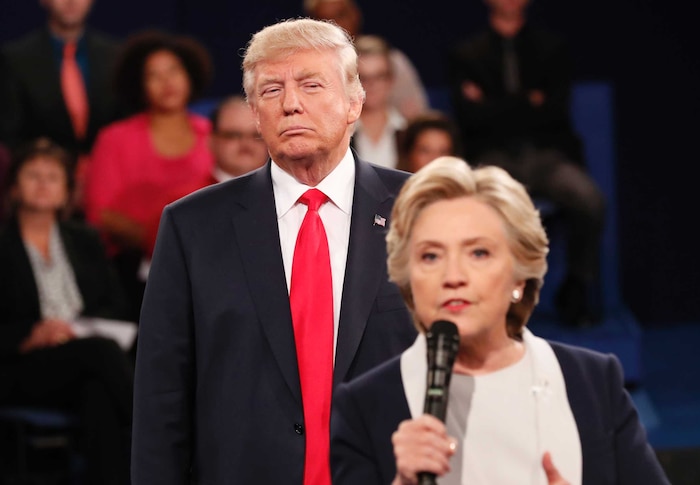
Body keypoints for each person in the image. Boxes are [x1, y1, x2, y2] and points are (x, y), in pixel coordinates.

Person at [131, 18, 417, 485]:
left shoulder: (424, 211)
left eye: (311, 84)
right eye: (270, 91)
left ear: (354, 103)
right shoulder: (191, 227)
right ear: (253, 113)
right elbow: (161, 399)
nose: (290, 104)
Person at [331, 157, 669, 484]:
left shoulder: (593, 383)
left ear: (520, 277)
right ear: (407, 279)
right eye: (430, 256)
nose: (453, 275)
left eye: (478, 253)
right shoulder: (364, 406)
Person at [448, 0, 605, 325]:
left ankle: (576, 287)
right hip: (492, 157)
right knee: (485, 210)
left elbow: (554, 112)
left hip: (547, 154)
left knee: (590, 200)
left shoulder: (553, 48)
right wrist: (528, 102)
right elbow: (470, 119)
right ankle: (494, 301)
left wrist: (493, 105)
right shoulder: (466, 53)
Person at [0, 138, 133, 485]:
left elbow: (116, 306)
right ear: (14, 188)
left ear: (66, 192)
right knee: (101, 355)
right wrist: (31, 335)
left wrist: (80, 328)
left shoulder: (85, 241)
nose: (43, 184)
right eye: (33, 175)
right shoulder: (3, 246)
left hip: (84, 358)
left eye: (53, 177)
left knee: (98, 397)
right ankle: (160, 429)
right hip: (23, 364)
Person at [83, 30, 214, 317]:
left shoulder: (214, 135)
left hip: (212, 262)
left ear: (189, 75)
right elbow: (100, 215)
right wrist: (162, 244)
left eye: (173, 71)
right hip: (135, 270)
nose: (167, 82)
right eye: (154, 75)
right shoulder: (115, 138)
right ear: (139, 86)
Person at [0, 0, 120, 159]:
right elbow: (10, 135)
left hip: (108, 170)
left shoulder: (115, 56)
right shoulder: (15, 59)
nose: (71, 2)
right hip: (43, 174)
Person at [304, 0, 429, 120]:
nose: (335, 26)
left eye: (340, 15)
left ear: (355, 16)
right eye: (324, 20)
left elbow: (417, 119)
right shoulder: (306, 71)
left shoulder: (392, 62)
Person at [353, 35, 406, 169]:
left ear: (390, 80)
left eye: (379, 76)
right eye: (363, 77)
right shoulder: (339, 135)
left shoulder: (407, 132)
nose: (371, 85)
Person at [208, 95, 269, 182]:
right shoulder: (190, 194)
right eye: (234, 135)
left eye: (257, 136)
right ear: (212, 142)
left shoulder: (291, 193)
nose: (246, 144)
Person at [396, 111, 462, 173]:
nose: (434, 160)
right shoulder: (389, 184)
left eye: (443, 152)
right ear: (408, 154)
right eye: (425, 151)